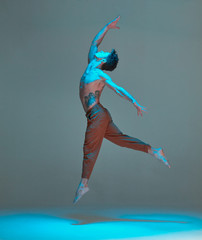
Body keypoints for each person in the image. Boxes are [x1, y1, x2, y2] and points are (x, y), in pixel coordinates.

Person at [73, 16, 170, 204]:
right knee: (122, 140)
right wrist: (107, 27)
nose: (101, 50)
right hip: (98, 115)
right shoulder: (91, 63)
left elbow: (118, 89)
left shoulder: (99, 74)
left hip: (97, 115)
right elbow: (95, 41)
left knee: (89, 147)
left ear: (103, 60)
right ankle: (154, 151)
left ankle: (84, 184)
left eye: (104, 52)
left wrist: (134, 101)